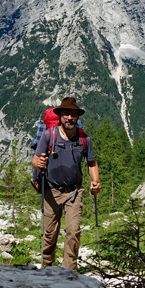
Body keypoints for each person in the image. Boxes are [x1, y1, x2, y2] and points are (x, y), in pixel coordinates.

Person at [31, 97, 101, 270]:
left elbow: (91, 163)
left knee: (73, 231)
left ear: (77, 117)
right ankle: (47, 266)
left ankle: (69, 271)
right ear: (60, 116)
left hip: (74, 191)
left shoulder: (85, 139)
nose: (70, 118)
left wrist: (95, 181)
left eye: (73, 115)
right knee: (50, 231)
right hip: (51, 190)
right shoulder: (49, 135)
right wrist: (38, 164)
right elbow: (34, 159)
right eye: (66, 114)